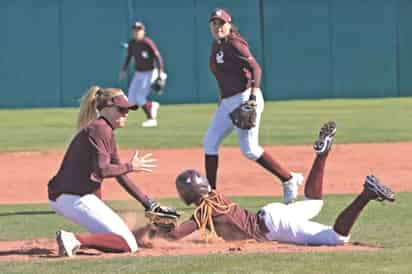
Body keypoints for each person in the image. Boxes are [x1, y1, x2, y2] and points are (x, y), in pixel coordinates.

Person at [153, 121, 395, 246]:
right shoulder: (215, 197)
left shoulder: (203, 211)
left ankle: (366, 194)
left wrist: (157, 226)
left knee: (337, 239)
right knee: (314, 202)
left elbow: (175, 235)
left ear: (186, 194)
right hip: (272, 213)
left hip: (274, 226)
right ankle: (321, 155)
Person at [48, 86, 175, 257]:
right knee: (128, 244)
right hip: (73, 198)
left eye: (128, 109)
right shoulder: (100, 129)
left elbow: (119, 174)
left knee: (121, 238)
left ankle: (81, 240)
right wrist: (131, 166)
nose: (126, 113)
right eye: (121, 109)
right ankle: (73, 239)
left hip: (72, 196)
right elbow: (103, 170)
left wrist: (148, 203)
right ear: (106, 108)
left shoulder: (104, 129)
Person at [204, 8, 303, 204]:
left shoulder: (235, 44)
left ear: (229, 25)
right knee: (209, 143)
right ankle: (211, 196)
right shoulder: (216, 46)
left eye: (221, 23)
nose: (218, 27)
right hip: (227, 102)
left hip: (245, 97)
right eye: (214, 23)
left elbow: (255, 68)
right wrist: (222, 99)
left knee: (250, 149)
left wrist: (253, 95)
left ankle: (289, 179)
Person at [120, 21, 166, 128]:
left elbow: (158, 58)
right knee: (131, 100)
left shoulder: (147, 42)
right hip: (139, 73)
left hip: (150, 73)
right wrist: (124, 70)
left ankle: (151, 119)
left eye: (139, 30)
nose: (137, 32)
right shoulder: (132, 43)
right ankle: (151, 105)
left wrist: (160, 73)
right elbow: (129, 57)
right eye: (135, 30)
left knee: (140, 98)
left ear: (143, 31)